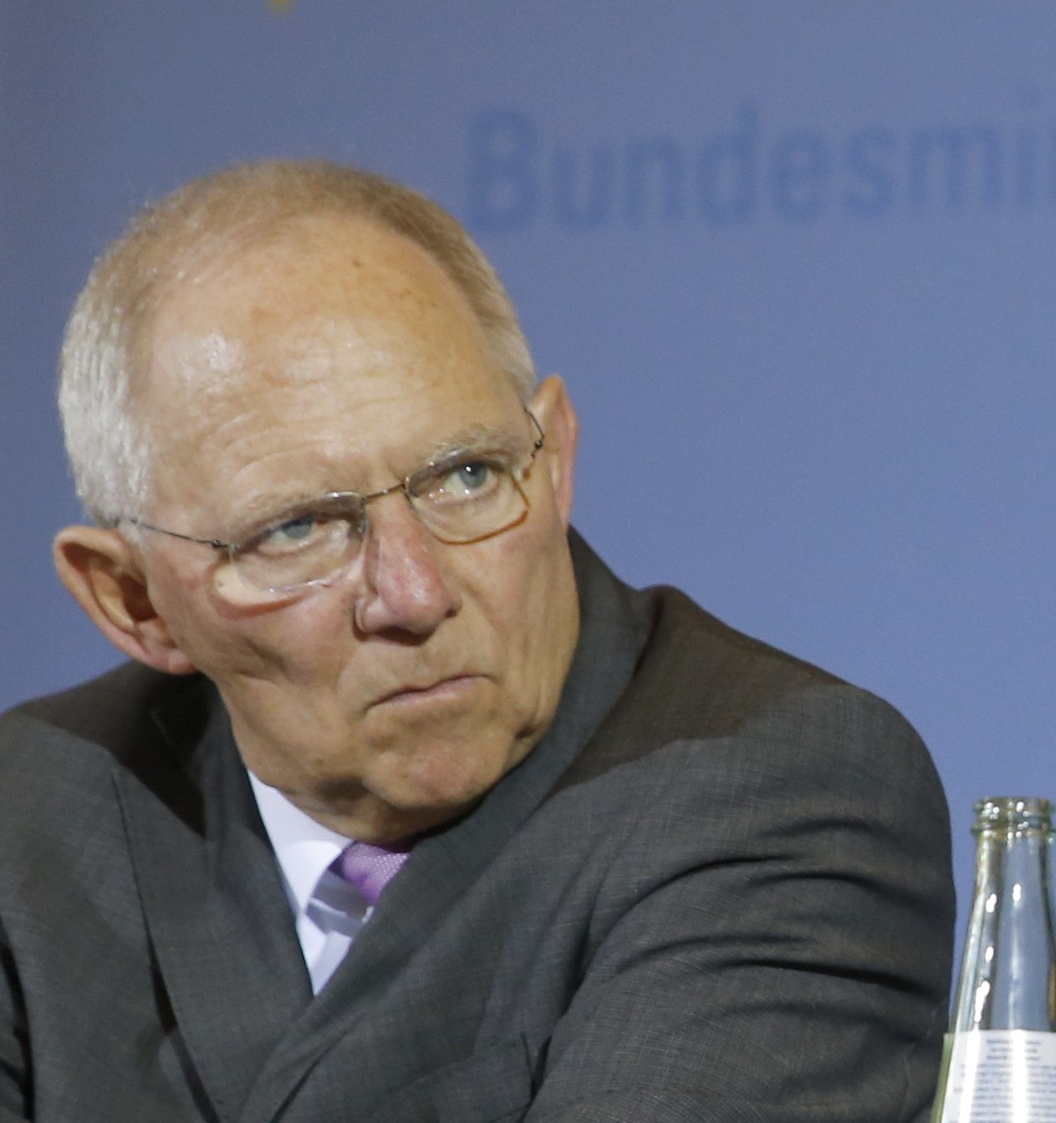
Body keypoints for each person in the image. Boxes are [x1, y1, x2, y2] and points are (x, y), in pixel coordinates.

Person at [2, 160, 954, 1121]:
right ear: (134, 600)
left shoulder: (778, 792)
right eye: (297, 527)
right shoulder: (31, 814)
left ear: (556, 459)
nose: (416, 594)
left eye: (466, 475)